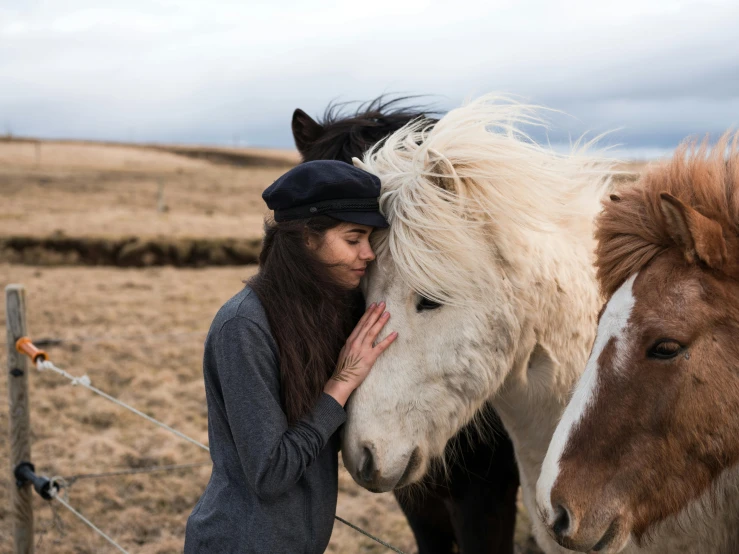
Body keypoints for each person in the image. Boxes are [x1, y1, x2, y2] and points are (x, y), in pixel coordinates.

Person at [184, 160, 398, 553]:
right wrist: (341, 383)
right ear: (307, 239)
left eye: (370, 239)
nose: (368, 253)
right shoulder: (244, 327)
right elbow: (270, 473)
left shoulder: (321, 315)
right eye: (354, 239)